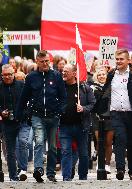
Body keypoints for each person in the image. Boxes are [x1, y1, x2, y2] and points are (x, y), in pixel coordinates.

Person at [16, 50, 67, 182]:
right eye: (42, 61)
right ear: (37, 61)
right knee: (39, 141)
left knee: (52, 146)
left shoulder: (56, 76)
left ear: (49, 61)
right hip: (37, 115)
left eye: (47, 61)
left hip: (53, 115)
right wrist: (19, 112)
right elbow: (24, 97)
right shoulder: (31, 77)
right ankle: (38, 169)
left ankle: (50, 173)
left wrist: (60, 111)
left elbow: (63, 97)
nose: (45, 64)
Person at [100, 49, 132, 180]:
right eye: (117, 59)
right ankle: (120, 169)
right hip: (116, 113)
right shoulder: (111, 74)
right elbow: (105, 90)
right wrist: (100, 107)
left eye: (121, 59)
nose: (118, 61)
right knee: (120, 140)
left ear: (128, 60)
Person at [59, 64, 95, 181]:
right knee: (65, 152)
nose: (63, 73)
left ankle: (83, 177)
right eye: (63, 71)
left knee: (83, 154)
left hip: (81, 126)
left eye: (66, 71)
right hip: (64, 126)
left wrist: (84, 109)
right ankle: (66, 177)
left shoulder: (84, 88)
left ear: (74, 73)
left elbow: (92, 104)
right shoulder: (60, 88)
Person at [0, 64, 30, 181]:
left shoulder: (21, 85)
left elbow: (29, 100)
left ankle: (22, 169)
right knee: (10, 151)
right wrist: (1, 111)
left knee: (23, 142)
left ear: (14, 74)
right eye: (5, 75)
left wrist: (26, 112)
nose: (7, 77)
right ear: (2, 75)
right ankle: (13, 176)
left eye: (10, 74)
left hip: (22, 121)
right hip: (7, 123)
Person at [90, 68, 113, 174]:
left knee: (108, 142)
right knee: (100, 142)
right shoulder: (92, 88)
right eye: (99, 74)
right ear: (96, 76)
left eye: (104, 74)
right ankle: (100, 162)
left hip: (110, 117)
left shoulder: (112, 87)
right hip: (97, 117)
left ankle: (107, 164)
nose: (102, 76)